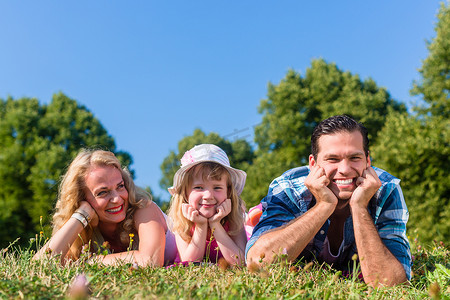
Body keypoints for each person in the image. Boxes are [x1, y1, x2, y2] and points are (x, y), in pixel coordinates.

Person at [246, 115, 411, 286]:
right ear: (313, 163)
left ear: (367, 161)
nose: (345, 170)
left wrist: (359, 207)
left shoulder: (386, 189)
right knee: (253, 227)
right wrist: (324, 205)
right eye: (333, 159)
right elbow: (257, 264)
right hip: (268, 228)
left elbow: (391, 284)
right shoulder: (289, 188)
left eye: (355, 158)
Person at [34, 149, 177, 266]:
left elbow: (150, 261)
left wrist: (91, 262)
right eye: (102, 192)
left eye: (120, 186)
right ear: (82, 199)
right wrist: (81, 215)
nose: (116, 198)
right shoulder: (85, 232)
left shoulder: (143, 208)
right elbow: (41, 266)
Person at [167, 144, 248, 265]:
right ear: (185, 193)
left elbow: (240, 262)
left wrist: (215, 224)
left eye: (217, 187)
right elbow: (189, 264)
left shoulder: (234, 219)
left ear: (228, 192)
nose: (208, 195)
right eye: (199, 187)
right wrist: (200, 225)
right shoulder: (181, 222)